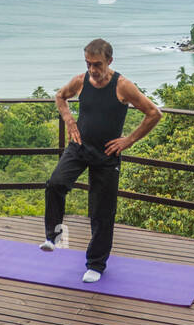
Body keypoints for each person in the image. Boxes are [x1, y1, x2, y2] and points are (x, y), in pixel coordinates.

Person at [41, 39, 162, 282]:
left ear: (109, 61)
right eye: (88, 64)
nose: (92, 70)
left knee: (101, 212)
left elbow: (153, 113)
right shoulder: (80, 81)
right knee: (55, 184)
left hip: (107, 155)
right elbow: (60, 96)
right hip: (79, 146)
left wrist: (127, 141)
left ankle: (95, 265)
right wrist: (69, 120)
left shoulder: (123, 86)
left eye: (97, 64)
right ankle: (52, 236)